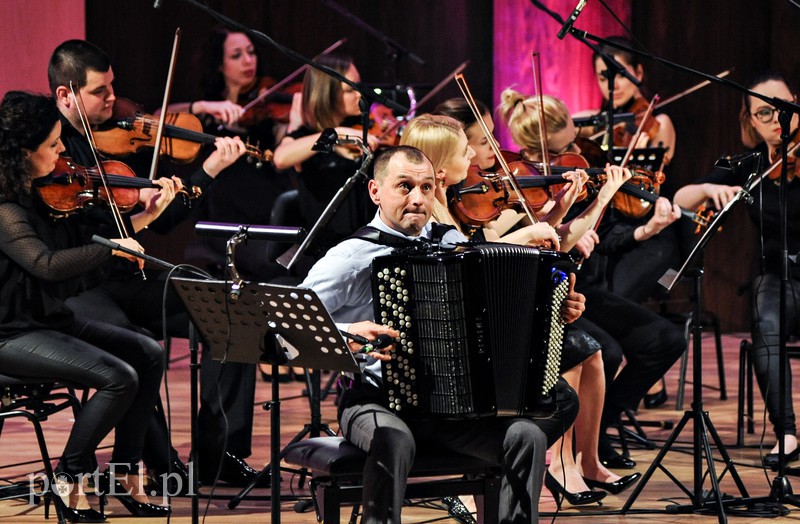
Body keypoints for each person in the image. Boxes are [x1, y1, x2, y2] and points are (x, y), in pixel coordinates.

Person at [301, 145, 585, 522]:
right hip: (376, 401)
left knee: (530, 433)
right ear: (375, 192)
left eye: (425, 188)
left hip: (454, 412)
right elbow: (288, 321)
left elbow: (501, 318)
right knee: (393, 439)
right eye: (404, 187)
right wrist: (349, 331)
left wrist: (556, 310)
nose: (417, 199)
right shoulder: (350, 256)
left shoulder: (452, 244)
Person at [47, 39, 255, 489]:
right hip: (82, 286)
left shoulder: (96, 144)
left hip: (124, 276)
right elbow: (78, 241)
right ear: (66, 95)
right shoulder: (48, 155)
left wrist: (155, 205)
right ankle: (161, 467)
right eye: (100, 91)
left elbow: (141, 226)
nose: (112, 100)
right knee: (139, 344)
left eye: (112, 87)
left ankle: (218, 455)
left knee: (231, 312)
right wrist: (138, 217)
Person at [419, 107, 641, 502]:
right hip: (466, 338)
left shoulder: (460, 206)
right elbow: (469, 260)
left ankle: (580, 462)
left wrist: (562, 206)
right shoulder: (435, 218)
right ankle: (554, 467)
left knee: (588, 350)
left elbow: (542, 243)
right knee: (574, 352)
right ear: (440, 168)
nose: (475, 155)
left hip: (492, 320)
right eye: (467, 149)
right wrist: (532, 232)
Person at [0, 91, 170, 521]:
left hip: (46, 319)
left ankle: (125, 472)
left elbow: (76, 254)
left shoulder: (39, 191)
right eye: (54, 145)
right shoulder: (5, 210)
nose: (62, 152)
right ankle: (68, 476)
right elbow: (46, 265)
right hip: (9, 333)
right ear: (24, 152)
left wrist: (139, 222)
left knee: (149, 354)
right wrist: (111, 250)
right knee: (118, 377)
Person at [500, 88, 686, 469]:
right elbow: (534, 245)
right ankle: (577, 451)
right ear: (533, 152)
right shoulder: (519, 186)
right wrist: (569, 223)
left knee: (665, 338)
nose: (573, 161)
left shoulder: (582, 167)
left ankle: (598, 430)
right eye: (553, 155)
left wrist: (647, 229)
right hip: (553, 295)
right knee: (608, 351)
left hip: (590, 288)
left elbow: (615, 232)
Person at [674, 71, 800, 468]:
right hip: (779, 276)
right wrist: (711, 190)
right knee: (765, 323)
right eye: (764, 113)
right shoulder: (750, 166)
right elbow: (682, 197)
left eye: (784, 109)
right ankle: (788, 434)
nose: (778, 120)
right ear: (751, 121)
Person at [272, 53, 381, 262]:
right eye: (350, 89)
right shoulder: (308, 137)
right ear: (327, 93)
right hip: (324, 253)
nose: (359, 94)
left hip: (364, 245)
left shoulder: (360, 128)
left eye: (358, 85)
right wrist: (336, 133)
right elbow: (281, 158)